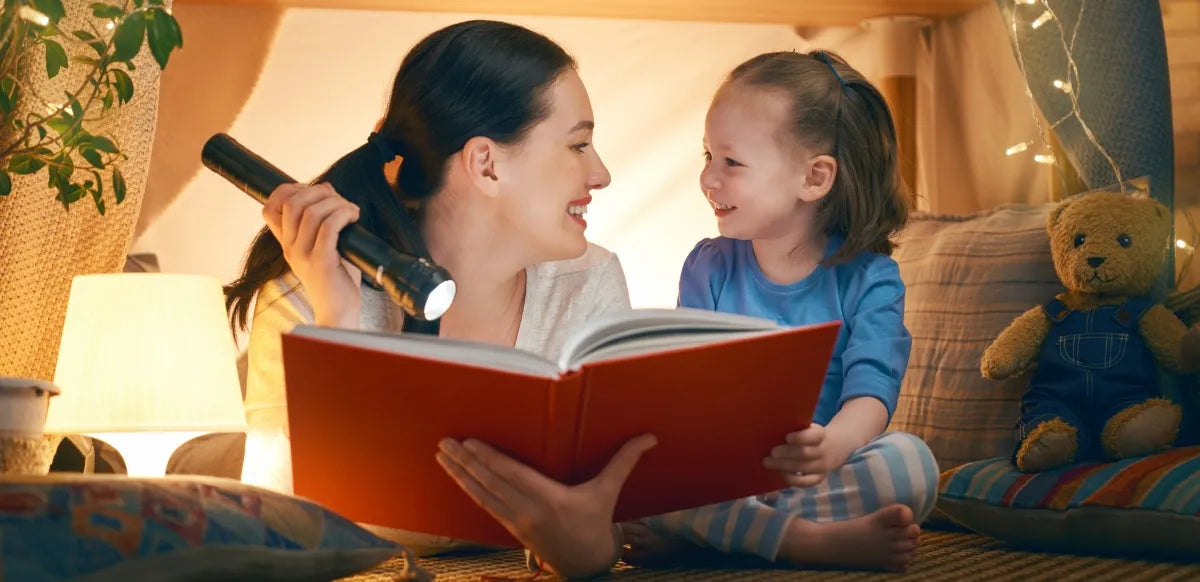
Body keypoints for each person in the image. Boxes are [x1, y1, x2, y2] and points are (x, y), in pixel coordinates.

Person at [225, 20, 653, 578]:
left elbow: (613, 525)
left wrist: (585, 550)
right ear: (486, 164)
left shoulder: (588, 284)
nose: (601, 173)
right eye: (577, 144)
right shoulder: (308, 293)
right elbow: (278, 531)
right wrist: (338, 328)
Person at [618, 50, 939, 572]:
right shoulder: (708, 266)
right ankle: (802, 541)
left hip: (819, 474)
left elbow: (872, 391)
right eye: (707, 156)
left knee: (911, 465)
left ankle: (720, 538)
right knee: (628, 473)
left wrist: (832, 446)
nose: (708, 179)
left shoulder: (870, 279)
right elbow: (688, 390)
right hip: (723, 474)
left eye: (732, 162)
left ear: (814, 178)